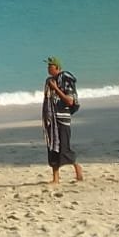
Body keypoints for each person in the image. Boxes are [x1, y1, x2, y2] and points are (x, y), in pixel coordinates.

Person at [42, 57, 83, 185]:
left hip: (62, 119)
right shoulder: (49, 80)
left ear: (58, 68)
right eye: (48, 66)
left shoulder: (65, 79)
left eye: (51, 66)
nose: (48, 68)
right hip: (52, 120)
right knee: (53, 148)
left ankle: (77, 167)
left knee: (64, 148)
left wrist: (56, 89)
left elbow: (69, 101)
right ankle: (56, 178)